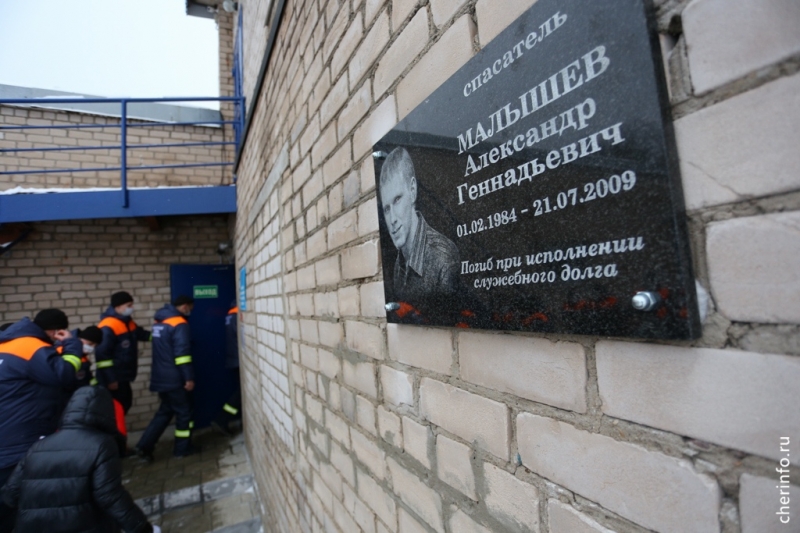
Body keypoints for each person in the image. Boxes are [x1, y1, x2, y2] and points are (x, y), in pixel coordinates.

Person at [1, 386, 158, 533]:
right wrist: (142, 527)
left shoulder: (38, 446)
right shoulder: (101, 444)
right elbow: (110, 496)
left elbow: (10, 494)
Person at [0, 309, 83, 532]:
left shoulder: (6, 345)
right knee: (21, 506)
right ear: (56, 331)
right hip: (19, 443)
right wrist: (72, 345)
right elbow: (64, 375)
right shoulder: (32, 347)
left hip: (7, 438)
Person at [379, 147, 460, 305]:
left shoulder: (442, 261)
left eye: (397, 199)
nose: (392, 219)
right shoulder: (399, 264)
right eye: (387, 209)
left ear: (413, 190)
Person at [136, 295, 196, 460]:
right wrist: (188, 378)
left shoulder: (159, 322)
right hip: (175, 378)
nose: (190, 311)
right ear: (185, 306)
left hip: (160, 377)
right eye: (190, 307)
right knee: (184, 413)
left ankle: (144, 445)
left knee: (165, 412)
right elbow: (182, 354)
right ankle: (182, 449)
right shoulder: (179, 323)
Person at [95, 291, 151, 414]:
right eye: (129, 305)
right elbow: (102, 356)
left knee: (124, 404)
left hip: (123, 375)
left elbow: (140, 334)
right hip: (114, 377)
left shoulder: (127, 322)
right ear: (118, 306)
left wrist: (159, 336)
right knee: (115, 409)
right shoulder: (108, 326)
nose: (132, 308)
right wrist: (110, 379)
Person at [212, 303, 242, 436]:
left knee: (240, 392)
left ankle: (223, 420)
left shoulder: (230, 315)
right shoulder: (237, 315)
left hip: (233, 359)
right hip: (238, 359)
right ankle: (222, 420)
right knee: (240, 393)